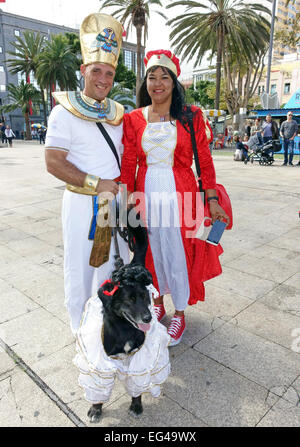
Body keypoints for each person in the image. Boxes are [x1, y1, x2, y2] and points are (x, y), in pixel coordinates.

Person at [121, 50, 229, 346]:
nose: (157, 83)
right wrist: (127, 196)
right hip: (145, 191)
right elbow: (129, 160)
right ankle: (157, 305)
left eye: (164, 77)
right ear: (146, 83)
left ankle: (179, 312)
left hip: (181, 191)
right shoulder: (133, 119)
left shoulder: (190, 116)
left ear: (174, 82)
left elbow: (204, 161)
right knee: (150, 250)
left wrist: (212, 199)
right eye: (152, 77)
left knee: (180, 250)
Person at [44, 13, 129, 334]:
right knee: (78, 268)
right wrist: (96, 183)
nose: (103, 79)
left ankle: (102, 325)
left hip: (110, 205)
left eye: (109, 73)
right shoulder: (61, 112)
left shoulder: (118, 114)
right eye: (97, 71)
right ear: (83, 70)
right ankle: (78, 330)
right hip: (81, 204)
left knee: (105, 265)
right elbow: (53, 162)